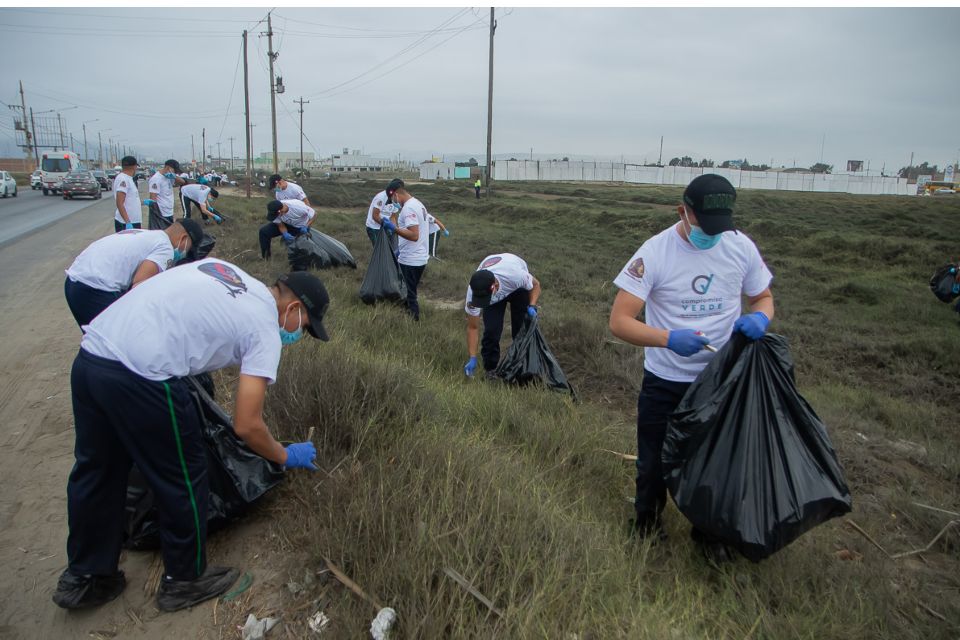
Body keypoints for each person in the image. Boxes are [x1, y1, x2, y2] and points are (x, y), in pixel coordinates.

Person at [53, 261, 330, 612]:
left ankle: (86, 578)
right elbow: (247, 424)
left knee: (97, 470)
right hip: (143, 375)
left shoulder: (229, 272)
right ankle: (184, 580)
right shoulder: (263, 327)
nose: (297, 336)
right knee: (183, 473)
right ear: (293, 309)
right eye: (304, 327)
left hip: (93, 356)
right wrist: (284, 456)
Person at [607, 174, 774, 560]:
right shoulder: (655, 253)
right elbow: (620, 321)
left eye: (720, 228)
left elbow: (762, 297)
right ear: (683, 211)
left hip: (719, 381)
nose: (712, 237)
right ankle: (646, 525)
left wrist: (761, 318)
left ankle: (710, 533)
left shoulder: (739, 246)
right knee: (653, 463)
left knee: (715, 460)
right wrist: (668, 338)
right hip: (666, 380)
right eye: (703, 226)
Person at [64, 220, 204, 327]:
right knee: (118, 344)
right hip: (96, 288)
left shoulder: (148, 235)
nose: (184, 254)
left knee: (96, 341)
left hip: (74, 281)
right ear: (183, 239)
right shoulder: (165, 247)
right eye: (189, 249)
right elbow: (139, 286)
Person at [463, 253, 540, 379]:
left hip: (516, 287)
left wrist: (532, 305)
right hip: (496, 284)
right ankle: (490, 369)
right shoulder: (474, 292)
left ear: (495, 286)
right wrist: (472, 357)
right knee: (492, 330)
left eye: (485, 298)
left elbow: (536, 285)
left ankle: (522, 368)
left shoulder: (516, 276)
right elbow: (473, 327)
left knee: (521, 330)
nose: (481, 303)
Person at [381, 185, 429, 320]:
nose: (393, 202)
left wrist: (394, 228)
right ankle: (410, 319)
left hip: (411, 260)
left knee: (409, 295)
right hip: (417, 257)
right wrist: (399, 250)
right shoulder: (417, 204)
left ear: (396, 194)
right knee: (409, 292)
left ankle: (413, 322)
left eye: (392, 199)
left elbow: (414, 235)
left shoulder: (408, 208)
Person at [145, 160, 185, 228]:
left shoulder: (169, 177)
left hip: (169, 211)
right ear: (168, 167)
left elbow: (182, 182)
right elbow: (153, 199)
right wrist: (157, 215)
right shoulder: (156, 179)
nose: (175, 172)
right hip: (161, 213)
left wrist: (174, 176)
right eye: (174, 170)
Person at [363, 179, 402, 247]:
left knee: (389, 248)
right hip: (374, 227)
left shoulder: (396, 199)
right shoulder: (381, 197)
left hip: (385, 227)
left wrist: (394, 228)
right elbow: (375, 216)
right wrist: (386, 225)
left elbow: (392, 216)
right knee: (379, 249)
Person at [113, 156, 142, 232]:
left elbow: (130, 200)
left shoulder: (128, 178)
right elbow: (120, 203)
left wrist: (143, 202)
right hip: (127, 222)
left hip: (133, 220)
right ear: (134, 167)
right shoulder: (123, 179)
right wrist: (127, 222)